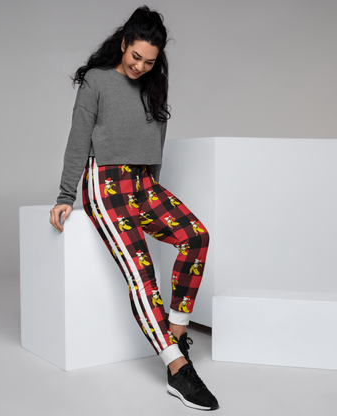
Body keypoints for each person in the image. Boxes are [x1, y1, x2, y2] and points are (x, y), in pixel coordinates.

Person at [49, 6, 219, 411]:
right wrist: (65, 195)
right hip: (105, 184)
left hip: (144, 183)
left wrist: (153, 186)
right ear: (124, 43)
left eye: (149, 61)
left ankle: (177, 330)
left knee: (196, 237)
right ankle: (177, 368)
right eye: (135, 56)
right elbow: (78, 137)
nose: (140, 66)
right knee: (142, 273)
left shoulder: (154, 86)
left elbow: (155, 141)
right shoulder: (97, 80)